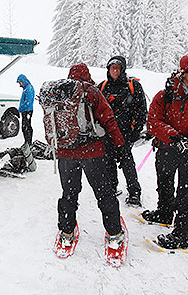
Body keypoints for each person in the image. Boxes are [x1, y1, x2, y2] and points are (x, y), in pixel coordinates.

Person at [142, 54, 188, 249]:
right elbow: (153, 121)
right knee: (164, 182)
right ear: (184, 72)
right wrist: (174, 137)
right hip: (167, 147)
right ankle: (165, 213)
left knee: (186, 191)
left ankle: (182, 235)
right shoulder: (165, 94)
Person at [57, 63, 126, 249]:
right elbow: (108, 118)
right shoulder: (92, 91)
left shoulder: (60, 93)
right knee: (104, 193)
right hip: (92, 153)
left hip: (65, 153)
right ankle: (114, 234)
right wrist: (119, 144)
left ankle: (66, 232)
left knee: (69, 194)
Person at [98, 56, 147, 206]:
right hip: (107, 133)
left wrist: (135, 131)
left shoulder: (133, 86)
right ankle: (112, 187)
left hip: (125, 133)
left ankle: (134, 192)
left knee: (127, 163)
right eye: (112, 67)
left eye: (117, 68)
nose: (114, 71)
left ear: (123, 69)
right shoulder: (103, 86)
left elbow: (141, 110)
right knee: (108, 162)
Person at [17, 74, 35, 145]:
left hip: (27, 111)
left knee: (26, 127)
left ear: (23, 81)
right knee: (25, 127)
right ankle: (27, 142)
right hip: (26, 111)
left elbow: (28, 102)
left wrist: (21, 108)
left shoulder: (29, 88)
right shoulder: (26, 88)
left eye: (20, 82)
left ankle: (28, 142)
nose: (19, 84)